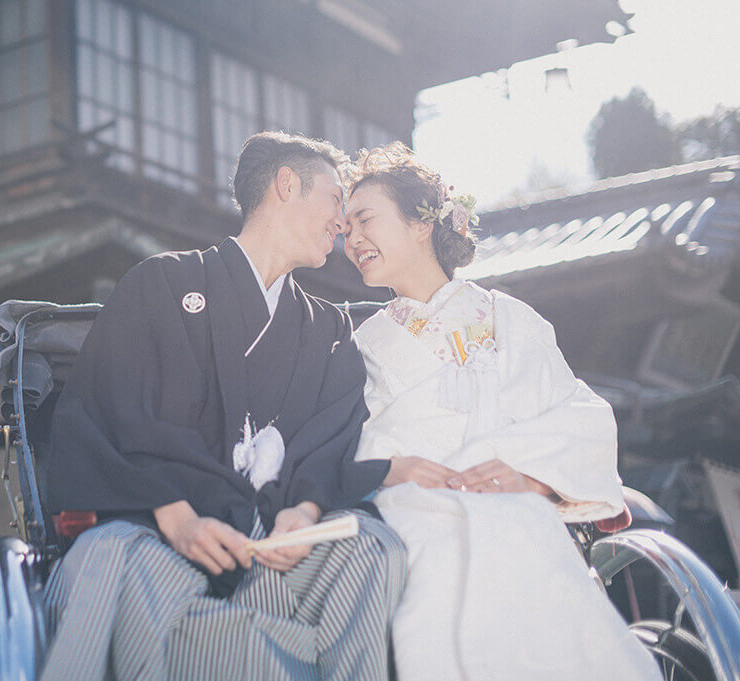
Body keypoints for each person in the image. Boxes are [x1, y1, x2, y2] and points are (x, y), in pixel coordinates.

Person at [41, 131, 407, 681]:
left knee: (371, 548)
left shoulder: (328, 327)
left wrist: (303, 512)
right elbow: (107, 410)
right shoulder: (161, 283)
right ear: (287, 185)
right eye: (335, 201)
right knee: (113, 557)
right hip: (166, 533)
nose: (343, 225)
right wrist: (175, 514)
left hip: (278, 544)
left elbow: (336, 434)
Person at [339, 142, 661, 681]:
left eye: (363, 219)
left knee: (524, 544)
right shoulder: (362, 343)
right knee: (438, 568)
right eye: (345, 228)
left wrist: (532, 474)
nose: (351, 239)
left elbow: (579, 413)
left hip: (515, 502)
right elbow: (365, 444)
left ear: (421, 224)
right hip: (419, 512)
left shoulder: (510, 319)